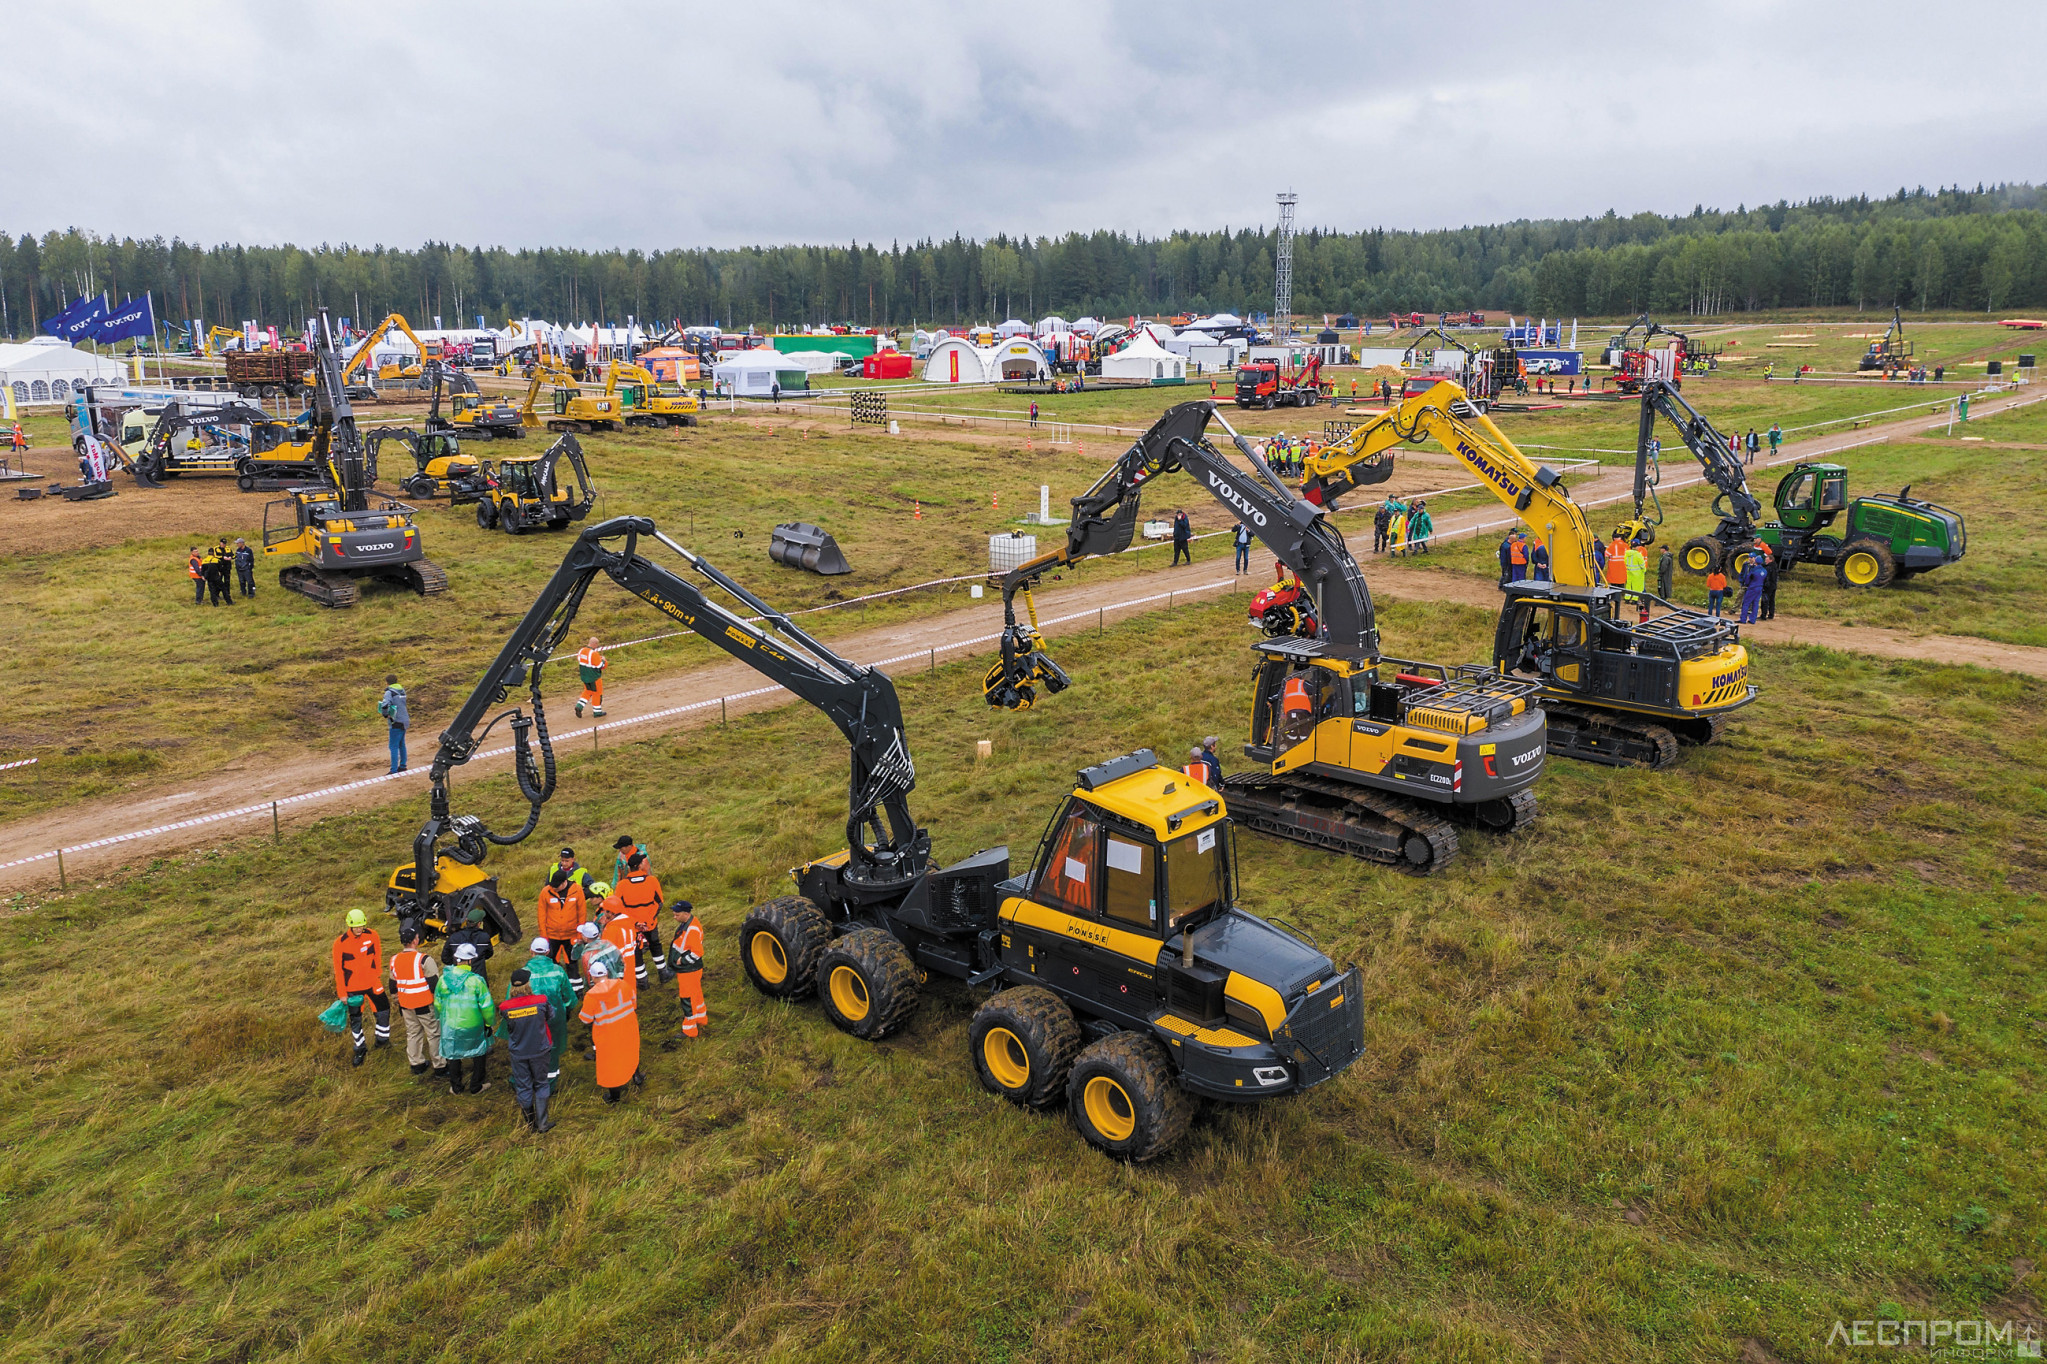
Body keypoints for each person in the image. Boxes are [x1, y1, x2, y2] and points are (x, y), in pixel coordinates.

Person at [499, 968, 558, 1133]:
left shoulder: (505, 1007)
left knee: (523, 1086)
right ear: (528, 984)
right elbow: (550, 1015)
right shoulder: (541, 1000)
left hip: (519, 1052)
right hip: (540, 1049)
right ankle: (543, 1124)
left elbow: (509, 1025)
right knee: (541, 1083)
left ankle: (530, 1124)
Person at [435, 944, 497, 1095]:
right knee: (479, 1052)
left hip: (451, 1024)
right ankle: (476, 1085)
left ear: (456, 959)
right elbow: (487, 1005)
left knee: (453, 1054)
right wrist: (488, 1023)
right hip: (474, 1024)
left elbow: (437, 1004)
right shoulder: (477, 981)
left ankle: (456, 1087)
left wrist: (443, 1018)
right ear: (470, 961)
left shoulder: (443, 980)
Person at [578, 960, 643, 1104]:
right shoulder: (622, 984)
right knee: (630, 1051)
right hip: (628, 1027)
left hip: (607, 1035)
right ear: (607, 973)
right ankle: (637, 1076)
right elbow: (633, 1001)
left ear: (592, 977)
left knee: (610, 1064)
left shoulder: (591, 996)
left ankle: (614, 1097)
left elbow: (585, 1019)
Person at [332, 909, 390, 1068]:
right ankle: (360, 1049)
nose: (359, 929)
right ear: (349, 925)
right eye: (356, 926)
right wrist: (342, 993)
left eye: (362, 926)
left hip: (373, 983)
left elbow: (377, 954)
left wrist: (377, 973)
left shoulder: (373, 935)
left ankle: (383, 1041)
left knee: (384, 1010)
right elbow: (338, 970)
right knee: (356, 1019)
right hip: (353, 988)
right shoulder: (340, 943)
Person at [388, 926, 444, 1078]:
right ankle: (439, 1066)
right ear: (415, 940)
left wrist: (398, 1001)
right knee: (433, 1034)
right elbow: (435, 986)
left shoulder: (394, 960)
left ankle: (416, 1064)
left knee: (413, 1034)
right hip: (425, 1005)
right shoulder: (424, 960)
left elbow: (393, 986)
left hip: (406, 1005)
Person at [524, 937, 580, 1089]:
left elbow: (512, 998)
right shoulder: (558, 971)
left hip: (531, 1018)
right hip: (554, 1017)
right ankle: (550, 1083)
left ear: (531, 951)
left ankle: (530, 1079)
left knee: (532, 1047)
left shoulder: (523, 974)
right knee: (552, 1049)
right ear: (548, 952)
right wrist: (567, 1010)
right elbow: (569, 996)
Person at [615, 853, 664, 985]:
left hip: (632, 927)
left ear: (629, 867)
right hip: (650, 924)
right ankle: (663, 973)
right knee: (655, 945)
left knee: (636, 951)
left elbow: (618, 908)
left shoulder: (621, 885)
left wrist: (635, 923)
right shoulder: (652, 880)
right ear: (640, 865)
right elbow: (659, 903)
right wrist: (648, 921)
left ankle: (642, 981)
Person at [665, 900, 707, 1040]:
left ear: (685, 913)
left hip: (688, 970)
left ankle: (690, 1030)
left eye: (677, 914)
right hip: (691, 970)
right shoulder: (689, 923)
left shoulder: (692, 929)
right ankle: (701, 1019)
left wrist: (682, 961)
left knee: (687, 999)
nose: (674, 917)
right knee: (696, 995)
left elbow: (697, 952)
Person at [536, 868, 586, 964]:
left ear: (564, 882)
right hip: (552, 935)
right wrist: (543, 936)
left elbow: (582, 913)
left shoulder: (577, 890)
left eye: (557, 886)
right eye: (553, 886)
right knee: (550, 963)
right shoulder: (545, 892)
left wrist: (580, 935)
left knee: (572, 962)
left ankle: (573, 978)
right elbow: (541, 915)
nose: (554, 888)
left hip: (571, 934)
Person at [442, 904, 497, 990]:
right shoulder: (484, 937)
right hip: (479, 978)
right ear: (479, 924)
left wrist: (456, 962)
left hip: (458, 979)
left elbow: (445, 958)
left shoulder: (454, 937)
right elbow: (489, 954)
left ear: (466, 920)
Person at [380, 675, 409, 774]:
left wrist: (385, 714)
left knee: (393, 746)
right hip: (405, 720)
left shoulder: (389, 692)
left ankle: (393, 769)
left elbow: (384, 705)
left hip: (395, 721)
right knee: (401, 744)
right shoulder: (402, 690)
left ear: (387, 682)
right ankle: (403, 765)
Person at [575, 636, 606, 718]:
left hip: (585, 676)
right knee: (597, 694)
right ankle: (597, 712)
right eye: (597, 645)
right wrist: (603, 660)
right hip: (594, 677)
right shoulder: (593, 653)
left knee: (588, 691)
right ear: (595, 644)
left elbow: (580, 659)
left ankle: (579, 706)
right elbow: (600, 665)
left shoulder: (581, 651)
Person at [1624, 540, 1649, 622]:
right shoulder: (1638, 555)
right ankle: (1634, 600)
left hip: (1629, 571)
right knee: (1636, 587)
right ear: (1637, 547)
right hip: (1637, 573)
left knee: (1628, 586)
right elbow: (1642, 564)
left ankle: (1627, 598)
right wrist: (1644, 570)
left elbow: (1625, 562)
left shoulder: (1627, 554)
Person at [203, 541, 233, 606]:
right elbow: (221, 569)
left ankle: (215, 604)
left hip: (209, 579)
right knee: (224, 589)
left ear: (208, 553)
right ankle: (229, 602)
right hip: (217, 578)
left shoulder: (204, 561)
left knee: (212, 591)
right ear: (213, 553)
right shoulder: (216, 560)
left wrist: (204, 576)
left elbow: (202, 570)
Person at [1738, 556, 1766, 624]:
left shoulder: (1753, 570)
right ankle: (1753, 619)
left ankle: (1743, 619)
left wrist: (1746, 584)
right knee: (1755, 604)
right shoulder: (1764, 571)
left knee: (1746, 603)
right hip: (1760, 587)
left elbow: (1748, 579)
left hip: (1752, 587)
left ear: (1755, 562)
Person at [1759, 551, 1781, 621]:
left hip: (1768, 586)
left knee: (1765, 601)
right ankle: (1771, 614)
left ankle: (1763, 615)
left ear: (1770, 560)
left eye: (1766, 559)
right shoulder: (1775, 567)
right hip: (1774, 586)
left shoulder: (1768, 568)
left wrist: (1765, 585)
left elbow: (1767, 577)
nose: (1765, 560)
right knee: (1772, 601)